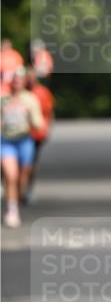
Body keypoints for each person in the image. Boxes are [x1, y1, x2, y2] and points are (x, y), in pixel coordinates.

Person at [1, 68, 44, 226]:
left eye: (20, 79)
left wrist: (28, 114)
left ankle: (16, 199)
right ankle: (12, 210)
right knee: (10, 175)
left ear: (25, 82)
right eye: (15, 79)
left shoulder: (30, 99)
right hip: (6, 141)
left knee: (21, 178)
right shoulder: (3, 99)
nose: (17, 82)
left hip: (25, 141)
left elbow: (38, 124)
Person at [24, 67, 55, 203]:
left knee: (30, 163)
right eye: (27, 77)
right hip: (20, 133)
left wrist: (47, 129)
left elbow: (49, 112)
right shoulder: (17, 92)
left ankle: (28, 189)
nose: (30, 79)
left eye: (32, 77)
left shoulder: (42, 92)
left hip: (36, 134)